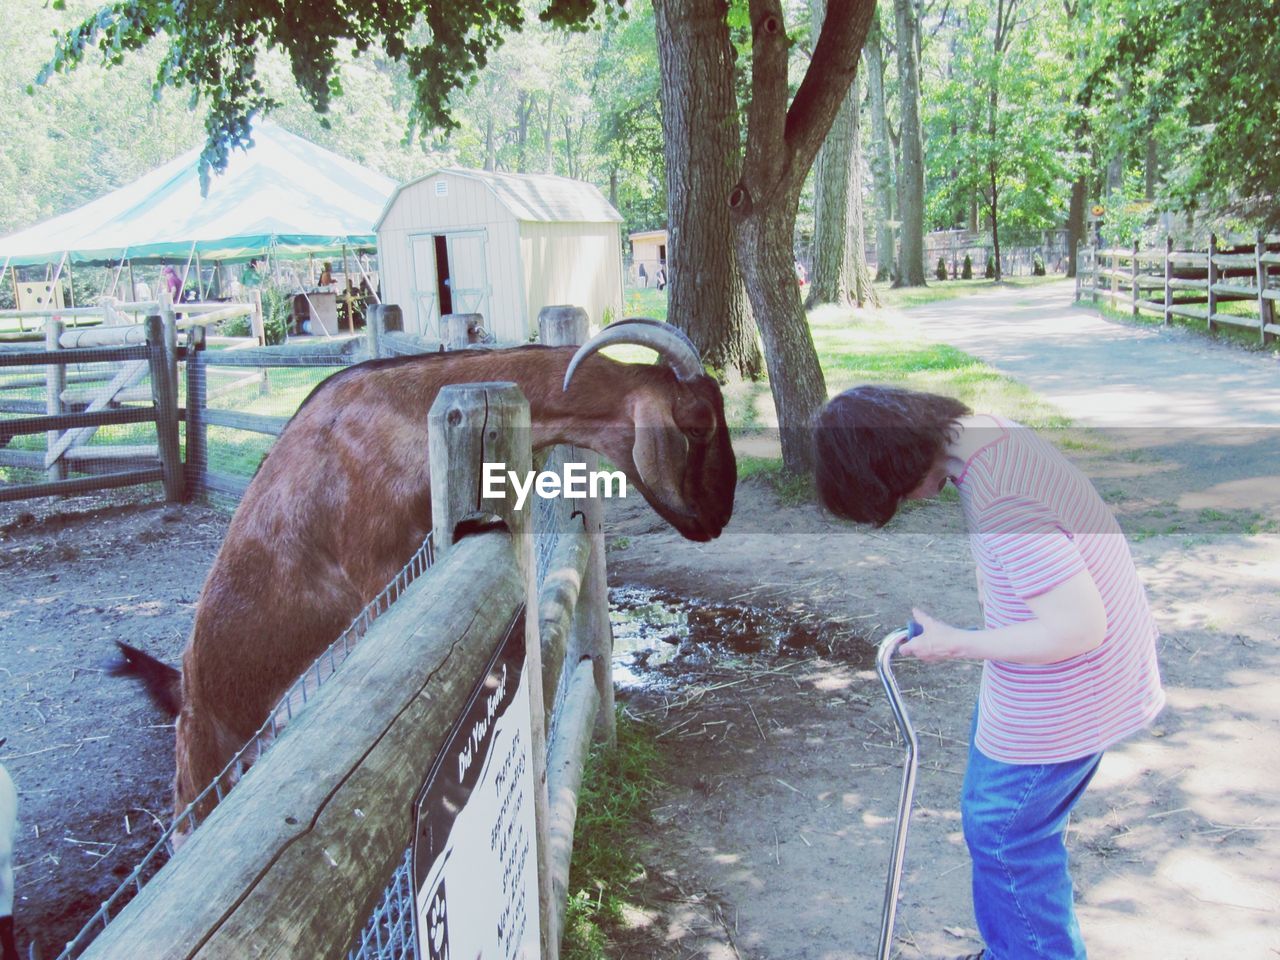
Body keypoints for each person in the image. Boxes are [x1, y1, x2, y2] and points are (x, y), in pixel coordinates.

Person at [814, 385, 1165, 960]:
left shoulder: (1003, 498)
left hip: (1070, 690)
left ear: (893, 461)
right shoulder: (987, 436)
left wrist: (959, 644)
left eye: (890, 493)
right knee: (997, 821)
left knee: (1005, 836)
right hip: (1055, 679)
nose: (905, 503)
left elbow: (1078, 628)